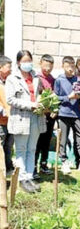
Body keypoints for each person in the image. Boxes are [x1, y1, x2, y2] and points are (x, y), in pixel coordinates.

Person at [6, 50, 46, 193]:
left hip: (36, 116)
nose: (27, 63)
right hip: (21, 117)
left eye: (29, 60)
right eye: (24, 61)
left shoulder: (36, 77)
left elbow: (39, 93)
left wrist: (42, 101)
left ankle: (30, 176)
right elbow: (10, 99)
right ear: (18, 63)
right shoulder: (12, 78)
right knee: (21, 149)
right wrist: (30, 104)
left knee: (32, 149)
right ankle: (22, 178)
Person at [55, 56, 80, 175]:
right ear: (63, 66)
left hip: (76, 113)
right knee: (63, 138)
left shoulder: (77, 79)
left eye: (72, 66)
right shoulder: (59, 80)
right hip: (63, 113)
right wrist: (69, 97)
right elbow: (55, 97)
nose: (70, 69)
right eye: (68, 66)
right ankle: (64, 162)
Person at [34, 54, 56, 178]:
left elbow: (55, 97)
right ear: (40, 63)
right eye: (46, 65)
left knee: (47, 141)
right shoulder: (37, 78)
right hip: (40, 114)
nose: (47, 69)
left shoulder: (52, 79)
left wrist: (54, 110)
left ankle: (44, 164)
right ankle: (34, 167)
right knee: (37, 141)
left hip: (50, 116)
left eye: (50, 66)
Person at [0, 55, 14, 177]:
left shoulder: (9, 81)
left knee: (8, 146)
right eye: (8, 67)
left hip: (11, 120)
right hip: (1, 121)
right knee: (1, 146)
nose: (11, 70)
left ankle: (8, 169)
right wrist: (2, 110)